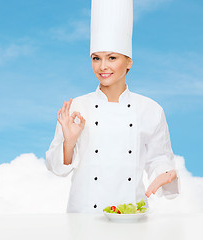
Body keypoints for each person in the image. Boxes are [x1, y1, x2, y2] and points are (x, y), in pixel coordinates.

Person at [45, 0, 180, 213]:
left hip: (131, 214)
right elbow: (56, 168)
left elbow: (159, 158)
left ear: (129, 62)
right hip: (84, 215)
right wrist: (69, 142)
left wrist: (166, 173)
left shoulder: (150, 109)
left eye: (112, 58)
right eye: (96, 58)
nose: (102, 66)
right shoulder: (77, 106)